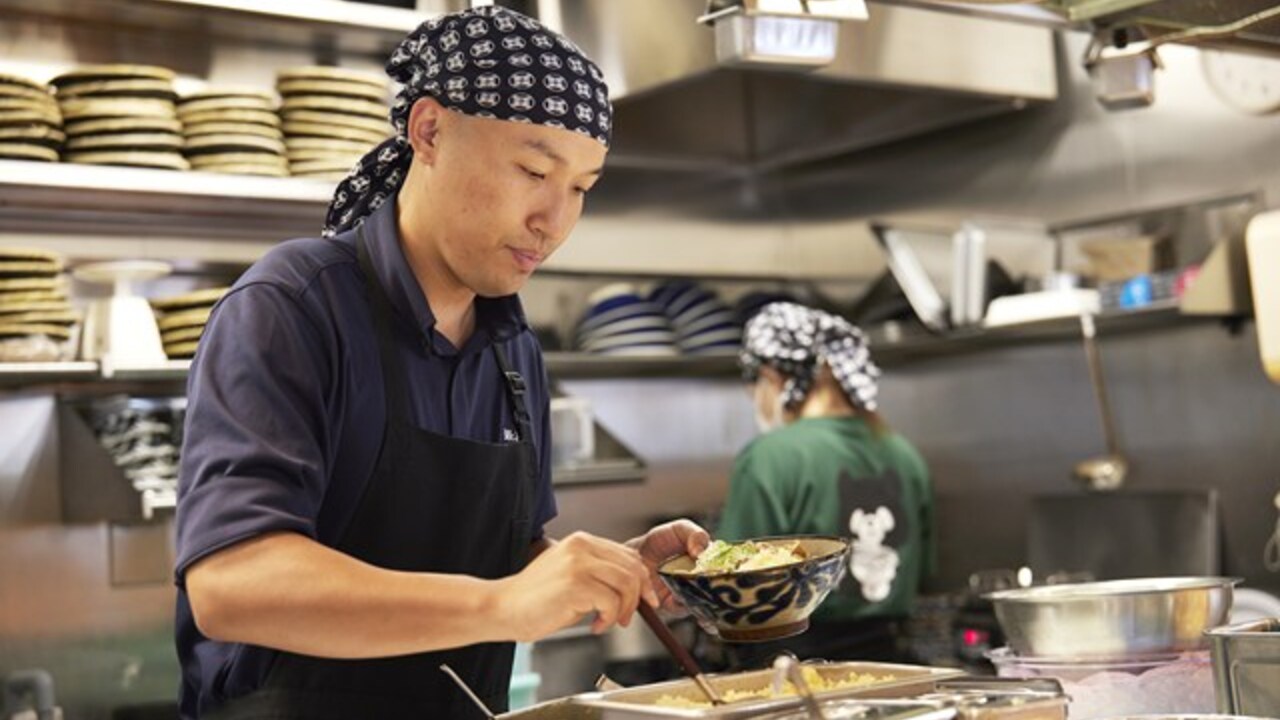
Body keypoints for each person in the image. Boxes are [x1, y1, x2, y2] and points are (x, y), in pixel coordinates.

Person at [172, 8, 708, 718]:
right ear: (428, 131)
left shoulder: (514, 351)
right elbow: (231, 584)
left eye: (581, 186)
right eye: (533, 169)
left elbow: (507, 562)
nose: (555, 219)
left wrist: (604, 572)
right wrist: (500, 603)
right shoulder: (292, 307)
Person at [717, 302, 934, 667]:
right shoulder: (904, 453)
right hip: (891, 665)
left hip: (793, 672)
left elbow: (734, 587)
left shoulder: (770, 457)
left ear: (770, 377)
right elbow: (924, 571)